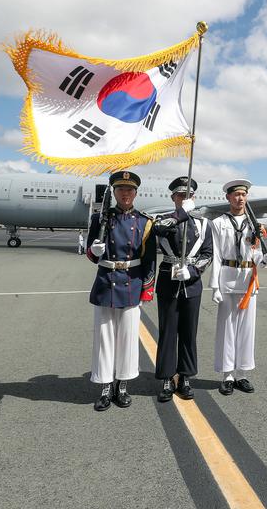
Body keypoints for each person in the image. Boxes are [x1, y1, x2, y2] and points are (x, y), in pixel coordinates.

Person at [86, 171, 156, 411]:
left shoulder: (145, 222)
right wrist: (95, 251)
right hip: (106, 281)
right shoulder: (100, 219)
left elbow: (149, 259)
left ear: (136, 193)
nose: (125, 194)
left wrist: (147, 288)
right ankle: (105, 386)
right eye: (120, 189)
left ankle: (122, 384)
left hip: (131, 282)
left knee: (127, 338)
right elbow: (90, 253)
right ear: (114, 193)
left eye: (129, 190)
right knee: (104, 338)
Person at [209, 179, 267, 395]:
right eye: (235, 195)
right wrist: (215, 287)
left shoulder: (253, 225)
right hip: (227, 278)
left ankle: (242, 374)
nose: (240, 198)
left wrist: (264, 260)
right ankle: (227, 374)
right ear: (228, 197)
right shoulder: (218, 223)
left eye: (243, 195)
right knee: (227, 329)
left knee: (247, 329)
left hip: (247, 280)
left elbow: (254, 253)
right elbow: (216, 256)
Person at [152, 176, 213, 402]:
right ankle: (167, 377)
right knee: (168, 332)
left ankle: (186, 376)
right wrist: (181, 214)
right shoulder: (165, 219)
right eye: (180, 195)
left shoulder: (204, 224)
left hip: (192, 284)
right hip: (169, 281)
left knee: (189, 332)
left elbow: (208, 254)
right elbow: (159, 229)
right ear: (173, 198)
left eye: (189, 196)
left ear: (194, 198)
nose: (184, 198)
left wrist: (193, 271)